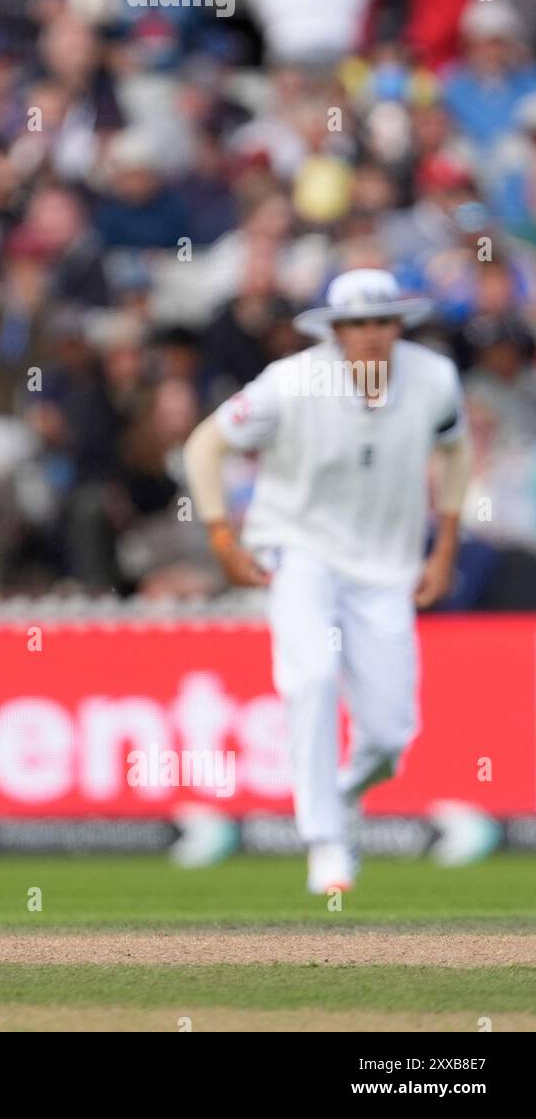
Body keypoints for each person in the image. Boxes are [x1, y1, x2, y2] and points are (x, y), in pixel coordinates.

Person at [182, 269, 471, 895]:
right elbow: (205, 447)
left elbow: (456, 450)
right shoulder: (289, 383)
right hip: (300, 550)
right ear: (335, 331)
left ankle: (338, 797)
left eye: (383, 322)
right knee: (311, 678)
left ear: (400, 325)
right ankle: (325, 843)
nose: (372, 336)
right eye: (358, 324)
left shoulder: (434, 378)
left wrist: (444, 544)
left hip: (387, 566)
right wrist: (222, 537)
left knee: (392, 735)